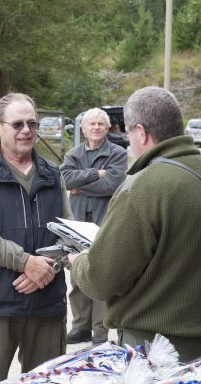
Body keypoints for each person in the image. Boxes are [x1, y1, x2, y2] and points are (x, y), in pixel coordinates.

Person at [68, 86, 201, 361]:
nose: (128, 140)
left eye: (127, 132)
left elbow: (100, 280)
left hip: (153, 352)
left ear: (141, 131)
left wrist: (78, 261)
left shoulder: (144, 187)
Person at [0, 93, 73, 383]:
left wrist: (48, 269)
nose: (27, 130)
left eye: (32, 124)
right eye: (18, 124)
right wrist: (26, 263)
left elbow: (70, 233)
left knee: (48, 380)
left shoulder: (52, 174)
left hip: (46, 303)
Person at [60, 108, 127, 345]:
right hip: (76, 222)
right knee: (76, 275)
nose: (96, 127)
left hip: (104, 222)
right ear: (83, 129)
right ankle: (80, 326)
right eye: (92, 124)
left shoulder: (117, 153)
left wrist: (80, 185)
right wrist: (94, 174)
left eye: (101, 124)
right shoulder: (74, 153)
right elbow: (65, 180)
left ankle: (100, 332)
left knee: (100, 275)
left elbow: (111, 185)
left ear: (108, 128)